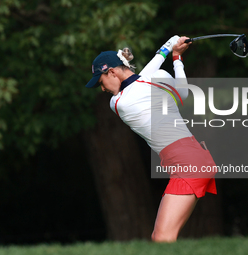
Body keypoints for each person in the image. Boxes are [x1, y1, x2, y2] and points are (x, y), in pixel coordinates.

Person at [85, 36, 217, 242]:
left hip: (188, 162)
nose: (102, 88)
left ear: (111, 71)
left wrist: (168, 50)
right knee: (160, 236)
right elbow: (181, 92)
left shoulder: (127, 95)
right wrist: (175, 57)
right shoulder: (121, 102)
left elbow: (148, 81)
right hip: (192, 159)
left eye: (100, 82)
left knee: (163, 237)